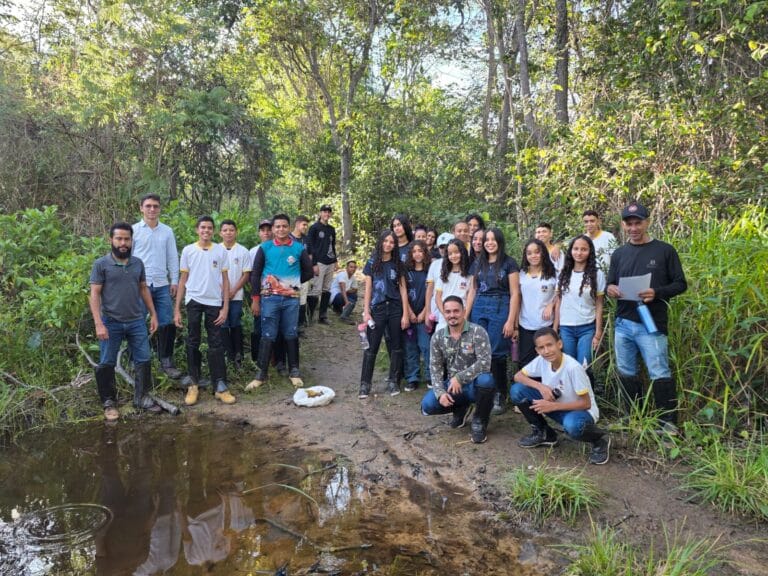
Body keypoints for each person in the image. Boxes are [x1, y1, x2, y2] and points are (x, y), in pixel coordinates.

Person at [606, 201, 687, 430]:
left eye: (638, 223)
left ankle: (667, 423)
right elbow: (611, 283)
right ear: (623, 225)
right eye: (629, 223)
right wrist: (611, 289)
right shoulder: (619, 253)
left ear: (647, 222)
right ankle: (633, 417)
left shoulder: (664, 250)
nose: (634, 228)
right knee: (626, 372)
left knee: (659, 372)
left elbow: (681, 284)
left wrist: (657, 292)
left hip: (652, 324)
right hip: (623, 322)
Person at [89, 222, 161, 420]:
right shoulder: (101, 265)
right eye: (119, 238)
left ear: (131, 241)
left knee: (144, 359)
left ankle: (141, 397)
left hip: (136, 320)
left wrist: (153, 314)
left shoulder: (137, 263)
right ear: (111, 240)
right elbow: (94, 294)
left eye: (126, 239)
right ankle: (109, 403)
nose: (123, 243)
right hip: (110, 322)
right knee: (106, 362)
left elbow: (143, 289)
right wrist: (98, 323)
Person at [509, 328, 610, 465]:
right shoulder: (542, 360)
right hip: (556, 407)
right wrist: (541, 387)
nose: (546, 351)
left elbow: (586, 404)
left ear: (560, 344)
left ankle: (599, 440)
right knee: (517, 391)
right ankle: (545, 434)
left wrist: (552, 406)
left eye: (550, 345)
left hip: (580, 411)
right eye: (541, 348)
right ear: (537, 350)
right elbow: (518, 376)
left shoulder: (573, 368)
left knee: (573, 425)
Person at [246, 214, 313, 390]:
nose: (281, 229)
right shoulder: (265, 248)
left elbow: (309, 272)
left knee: (291, 333)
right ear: (273, 229)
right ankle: (261, 374)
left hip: (291, 300)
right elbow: (255, 274)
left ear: (289, 228)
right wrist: (256, 299)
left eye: (284, 226)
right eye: (277, 227)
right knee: (268, 334)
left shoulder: (298, 249)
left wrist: (293, 284)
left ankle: (294, 372)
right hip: (269, 299)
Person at [174, 216, 236, 406]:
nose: (206, 231)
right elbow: (183, 280)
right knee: (193, 340)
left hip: (214, 302)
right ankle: (193, 384)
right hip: (193, 300)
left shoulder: (220, 250)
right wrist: (176, 309)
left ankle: (220, 385)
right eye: (203, 227)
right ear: (197, 230)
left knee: (216, 342)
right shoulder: (188, 250)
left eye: (209, 228)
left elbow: (225, 281)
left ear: (213, 231)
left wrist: (225, 307)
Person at [420, 296, 496, 444]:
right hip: (453, 387)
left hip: (475, 385)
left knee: (486, 380)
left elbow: (485, 363)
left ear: (464, 311)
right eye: (448, 311)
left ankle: (480, 421)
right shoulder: (438, 337)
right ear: (443, 313)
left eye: (456, 311)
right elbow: (434, 368)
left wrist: (459, 378)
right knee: (427, 405)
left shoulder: (478, 332)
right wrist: (440, 392)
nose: (452, 315)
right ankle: (460, 409)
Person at [464, 228, 521, 415]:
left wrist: (511, 320)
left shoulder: (509, 263)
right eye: (486, 240)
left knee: (496, 352)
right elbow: (472, 290)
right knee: (479, 351)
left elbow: (515, 293)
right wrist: (465, 316)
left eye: (492, 239)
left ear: (499, 241)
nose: (489, 243)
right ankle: (482, 392)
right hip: (479, 307)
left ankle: (500, 394)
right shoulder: (478, 263)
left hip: (500, 307)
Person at [132, 194, 182, 379]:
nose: (152, 209)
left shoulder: (167, 231)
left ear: (160, 209)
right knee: (136, 323)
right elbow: (128, 258)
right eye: (148, 206)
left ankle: (166, 361)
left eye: (155, 206)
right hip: (139, 285)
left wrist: (174, 280)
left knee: (167, 322)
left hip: (161, 284)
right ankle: (136, 361)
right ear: (141, 208)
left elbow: (172, 257)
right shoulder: (134, 230)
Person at [358, 230, 410, 399]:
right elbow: (368, 288)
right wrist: (366, 311)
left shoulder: (398, 264)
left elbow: (403, 290)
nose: (388, 244)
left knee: (396, 346)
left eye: (391, 242)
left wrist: (405, 314)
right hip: (378, 309)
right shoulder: (372, 262)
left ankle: (394, 381)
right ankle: (365, 384)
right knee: (371, 347)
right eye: (385, 241)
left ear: (395, 245)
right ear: (380, 242)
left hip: (395, 308)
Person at [555, 235, 605, 390]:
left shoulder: (597, 274)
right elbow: (558, 302)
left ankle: (588, 402)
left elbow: (599, 304)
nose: (579, 252)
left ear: (590, 252)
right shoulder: (563, 273)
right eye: (576, 249)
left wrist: (598, 333)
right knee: (569, 366)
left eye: (584, 249)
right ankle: (571, 401)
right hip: (566, 327)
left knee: (584, 365)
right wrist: (555, 328)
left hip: (587, 327)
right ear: (570, 251)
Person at [517, 238, 558, 368]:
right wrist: (515, 327)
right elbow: (517, 299)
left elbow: (561, 295)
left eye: (537, 252)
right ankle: (526, 388)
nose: (533, 256)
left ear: (543, 253)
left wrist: (551, 304)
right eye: (529, 253)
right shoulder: (521, 274)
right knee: (525, 363)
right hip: (525, 326)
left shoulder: (552, 273)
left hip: (546, 325)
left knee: (548, 362)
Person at [219, 219, 252, 368]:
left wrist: (233, 290)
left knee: (235, 322)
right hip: (218, 296)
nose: (228, 233)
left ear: (236, 232)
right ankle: (228, 355)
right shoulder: (216, 249)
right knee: (222, 324)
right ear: (220, 233)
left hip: (236, 295)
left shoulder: (243, 251)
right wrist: (224, 291)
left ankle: (239, 355)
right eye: (225, 230)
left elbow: (246, 274)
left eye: (231, 230)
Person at [403, 240, 431, 392]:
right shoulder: (406, 272)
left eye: (420, 251)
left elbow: (432, 293)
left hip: (424, 316)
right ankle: (412, 377)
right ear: (410, 254)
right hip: (410, 315)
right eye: (414, 251)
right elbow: (403, 293)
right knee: (410, 348)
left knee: (426, 346)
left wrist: (424, 312)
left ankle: (429, 376)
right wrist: (409, 312)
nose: (417, 254)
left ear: (425, 252)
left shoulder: (430, 271)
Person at [306, 204, 338, 325]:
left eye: (329, 212)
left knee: (327, 289)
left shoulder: (331, 229)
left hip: (330, 262)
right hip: (319, 262)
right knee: (315, 290)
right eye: (325, 212)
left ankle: (323, 316)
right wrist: (313, 264)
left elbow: (333, 245)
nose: (327, 214)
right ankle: (310, 315)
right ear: (320, 213)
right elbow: (310, 246)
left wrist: (335, 260)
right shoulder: (314, 228)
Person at [249, 219, 273, 364]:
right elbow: (251, 276)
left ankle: (274, 358)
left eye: (268, 230)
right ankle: (257, 358)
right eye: (263, 230)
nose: (266, 233)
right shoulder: (253, 251)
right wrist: (254, 298)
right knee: (258, 325)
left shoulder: (277, 249)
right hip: (259, 294)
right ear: (259, 233)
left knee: (274, 325)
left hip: (275, 294)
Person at [434, 239, 471, 331]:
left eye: (456, 252)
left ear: (462, 253)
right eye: (450, 253)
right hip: (444, 318)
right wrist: (445, 314)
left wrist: (465, 316)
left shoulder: (469, 275)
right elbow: (438, 297)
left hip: (461, 316)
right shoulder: (443, 275)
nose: (453, 256)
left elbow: (469, 297)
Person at [424, 232, 454, 336]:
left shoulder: (459, 264)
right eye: (442, 247)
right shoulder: (435, 264)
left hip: (454, 312)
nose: (444, 250)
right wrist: (427, 311)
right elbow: (429, 289)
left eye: (447, 247)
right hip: (436, 312)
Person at [291, 215, 311, 331]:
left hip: (304, 274)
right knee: (292, 299)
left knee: (302, 300)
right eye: (304, 224)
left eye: (306, 225)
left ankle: (300, 326)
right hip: (291, 275)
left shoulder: (306, 239)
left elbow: (310, 255)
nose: (305, 227)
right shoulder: (288, 238)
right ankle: (291, 326)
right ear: (297, 224)